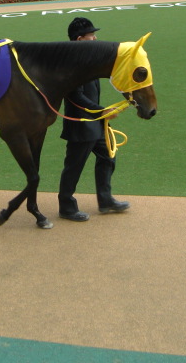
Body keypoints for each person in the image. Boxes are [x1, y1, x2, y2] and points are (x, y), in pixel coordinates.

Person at [58, 17, 130, 222]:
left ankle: (105, 200)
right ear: (80, 39)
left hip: (95, 123)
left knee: (108, 156)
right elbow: (76, 97)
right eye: (91, 35)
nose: (95, 38)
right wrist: (102, 111)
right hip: (80, 125)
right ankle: (66, 207)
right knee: (74, 166)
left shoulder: (87, 60)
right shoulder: (72, 64)